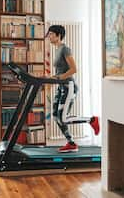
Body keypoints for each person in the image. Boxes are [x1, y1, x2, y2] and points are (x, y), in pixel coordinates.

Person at [45, 25, 100, 153]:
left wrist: (60, 78)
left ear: (59, 35)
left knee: (63, 118)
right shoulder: (58, 50)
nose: (49, 36)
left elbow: (74, 69)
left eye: (52, 34)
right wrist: (52, 78)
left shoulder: (65, 49)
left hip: (69, 87)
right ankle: (71, 143)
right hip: (61, 87)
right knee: (55, 115)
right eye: (49, 34)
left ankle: (92, 120)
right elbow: (60, 71)